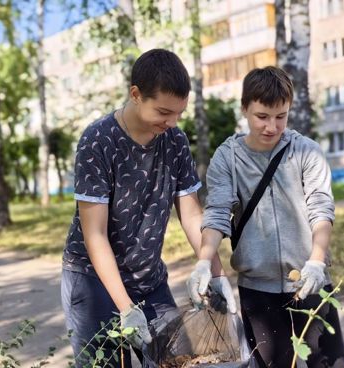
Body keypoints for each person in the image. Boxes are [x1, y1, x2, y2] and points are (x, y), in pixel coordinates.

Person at [60, 49, 235, 367]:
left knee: (177, 360)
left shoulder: (175, 141)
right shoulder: (97, 142)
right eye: (164, 112)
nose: (172, 123)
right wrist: (126, 308)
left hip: (149, 281)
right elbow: (95, 235)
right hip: (92, 281)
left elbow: (192, 214)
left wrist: (216, 272)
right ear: (136, 94)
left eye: (179, 113)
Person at [186, 66, 344, 368]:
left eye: (280, 116)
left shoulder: (306, 152)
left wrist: (316, 261)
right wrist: (204, 262)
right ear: (245, 109)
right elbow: (218, 213)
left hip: (310, 284)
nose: (272, 126)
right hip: (259, 293)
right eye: (262, 116)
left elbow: (321, 209)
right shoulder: (228, 158)